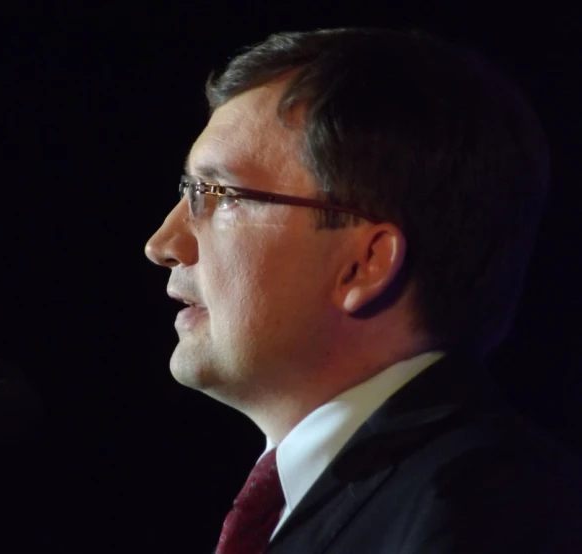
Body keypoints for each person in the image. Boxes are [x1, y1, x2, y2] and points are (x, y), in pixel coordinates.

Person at [144, 28, 582, 553]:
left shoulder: (485, 516)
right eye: (188, 192)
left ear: (365, 264)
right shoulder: (336, 500)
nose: (163, 243)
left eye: (221, 195)